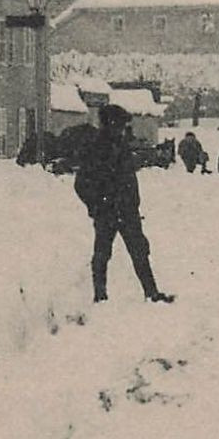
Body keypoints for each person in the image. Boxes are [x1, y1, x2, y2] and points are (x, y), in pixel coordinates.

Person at [74, 104, 174, 304]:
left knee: (139, 250)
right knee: (102, 253)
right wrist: (96, 206)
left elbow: (127, 178)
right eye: (119, 125)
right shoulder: (95, 148)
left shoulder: (121, 145)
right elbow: (81, 184)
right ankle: (100, 296)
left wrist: (132, 204)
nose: (122, 129)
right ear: (108, 125)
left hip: (128, 211)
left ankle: (151, 293)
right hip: (107, 212)